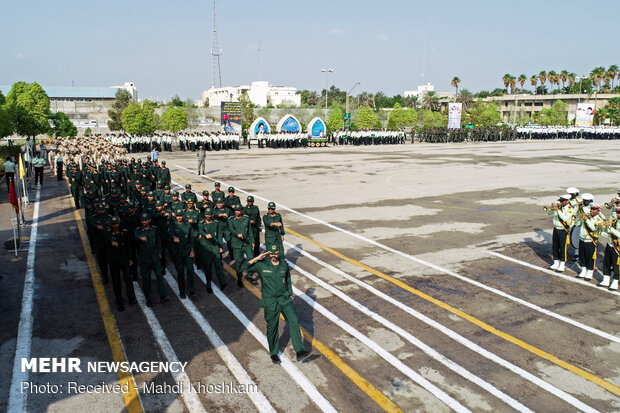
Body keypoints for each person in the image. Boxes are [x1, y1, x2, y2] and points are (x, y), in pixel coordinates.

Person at [247, 245, 311, 364]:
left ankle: (300, 351)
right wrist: (257, 257)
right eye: (271, 254)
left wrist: (290, 293)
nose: (274, 256)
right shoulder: (262, 265)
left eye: (276, 254)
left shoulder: (283, 265)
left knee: (294, 321)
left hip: (284, 299)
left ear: (279, 254)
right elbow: (244, 267)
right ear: (268, 254)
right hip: (270, 302)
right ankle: (274, 353)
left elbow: (287, 279)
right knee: (272, 327)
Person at [135, 213, 169, 306]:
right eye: (142, 220)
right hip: (145, 259)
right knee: (146, 279)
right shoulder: (138, 230)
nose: (144, 222)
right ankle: (148, 299)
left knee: (159, 276)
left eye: (146, 220)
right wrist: (140, 237)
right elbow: (135, 237)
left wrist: (159, 252)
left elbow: (158, 240)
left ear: (149, 220)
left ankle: (163, 296)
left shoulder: (154, 229)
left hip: (155, 257)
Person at [105, 216, 136, 311]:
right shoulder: (108, 232)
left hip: (124, 258)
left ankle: (131, 298)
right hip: (114, 260)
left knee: (128, 279)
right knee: (116, 281)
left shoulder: (125, 231)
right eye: (113, 224)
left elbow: (128, 245)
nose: (115, 226)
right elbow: (107, 240)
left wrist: (130, 258)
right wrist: (112, 241)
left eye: (117, 223)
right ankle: (119, 301)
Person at [197, 207, 227, 293]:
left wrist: (220, 246)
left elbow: (219, 235)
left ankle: (223, 283)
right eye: (206, 214)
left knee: (218, 266)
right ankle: (209, 285)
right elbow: (200, 230)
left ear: (212, 215)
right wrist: (205, 234)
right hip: (206, 247)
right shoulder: (202, 223)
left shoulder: (216, 223)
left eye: (209, 214)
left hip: (215, 246)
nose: (208, 216)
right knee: (208, 267)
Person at [169, 209, 196, 298]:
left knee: (190, 271)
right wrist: (174, 236)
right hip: (178, 253)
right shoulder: (173, 225)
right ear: (175, 216)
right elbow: (170, 233)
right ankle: (182, 291)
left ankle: (191, 290)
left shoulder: (188, 225)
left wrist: (192, 251)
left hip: (187, 252)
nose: (179, 217)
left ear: (183, 216)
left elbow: (191, 239)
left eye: (180, 216)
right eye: (177, 216)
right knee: (180, 273)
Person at [228, 204, 255, 287]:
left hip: (246, 243)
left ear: (242, 211)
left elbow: (250, 230)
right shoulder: (231, 219)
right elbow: (231, 229)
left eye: (238, 210)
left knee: (251, 258)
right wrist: (237, 234)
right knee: (239, 262)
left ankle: (249, 275)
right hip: (236, 244)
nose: (237, 212)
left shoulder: (246, 219)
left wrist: (252, 241)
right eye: (236, 210)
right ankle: (239, 279)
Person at [575, 204, 604, 280]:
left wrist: (586, 220)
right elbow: (577, 224)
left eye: (593, 209)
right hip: (582, 239)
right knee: (582, 256)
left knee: (590, 257)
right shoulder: (587, 216)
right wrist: (579, 217)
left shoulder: (599, 220)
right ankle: (583, 270)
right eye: (591, 209)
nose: (591, 210)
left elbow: (593, 228)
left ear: (598, 211)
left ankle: (590, 272)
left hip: (590, 241)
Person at [547, 195, 574, 272]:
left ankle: (562, 264)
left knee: (562, 247)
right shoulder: (559, 207)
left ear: (567, 201)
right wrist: (552, 209)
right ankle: (555, 262)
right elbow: (549, 213)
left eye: (562, 201)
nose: (561, 203)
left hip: (563, 230)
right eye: (560, 201)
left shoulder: (570, 209)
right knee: (555, 246)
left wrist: (558, 210)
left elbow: (565, 218)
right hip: (556, 229)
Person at [601, 209, 620, 290]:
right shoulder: (614, 220)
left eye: (619, 213)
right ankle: (606, 279)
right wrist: (606, 226)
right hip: (609, 244)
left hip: (617, 246)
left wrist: (610, 228)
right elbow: (607, 232)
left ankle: (615, 281)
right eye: (617, 213)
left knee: (616, 265)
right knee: (607, 262)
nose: (617, 214)